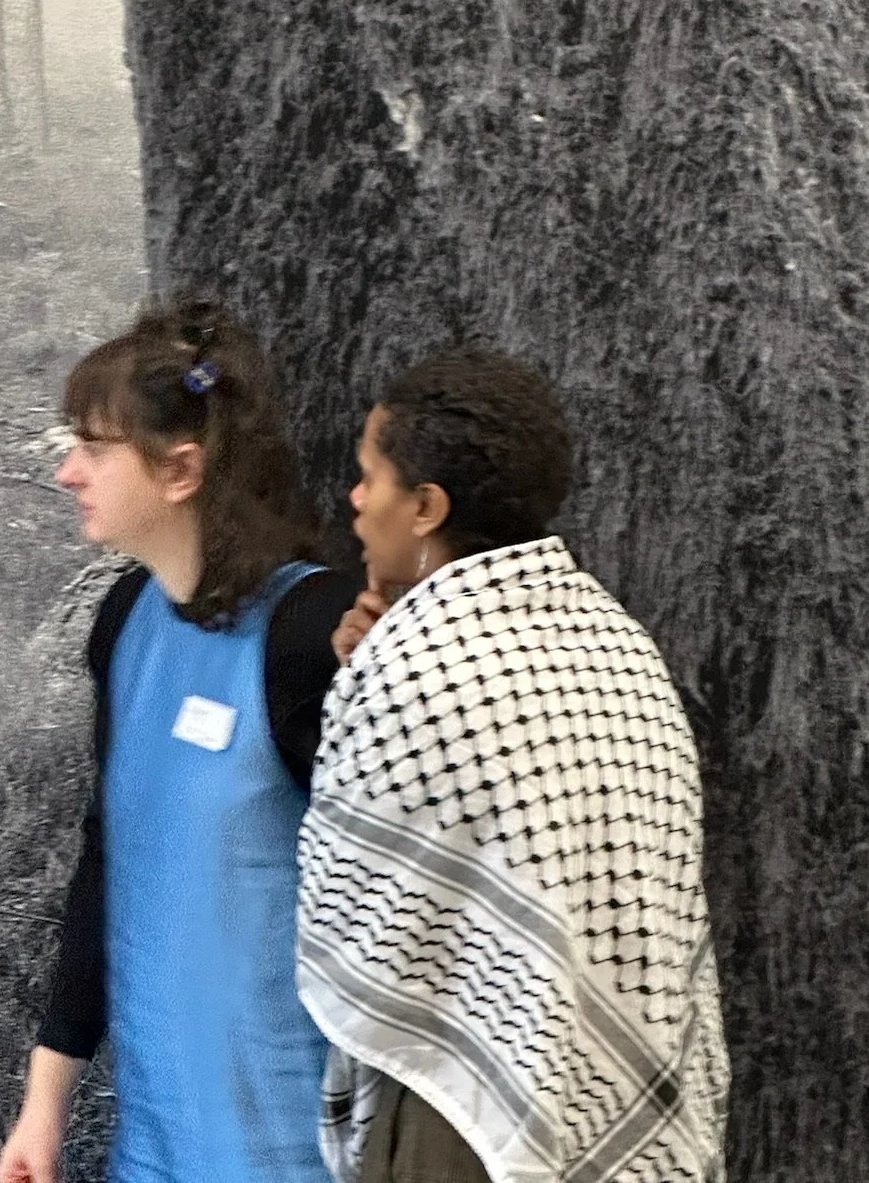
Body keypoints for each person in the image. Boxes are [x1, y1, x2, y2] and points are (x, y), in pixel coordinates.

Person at [297, 347, 730, 1183]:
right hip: (601, 1087)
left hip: (462, 1108)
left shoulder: (420, 664)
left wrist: (375, 670)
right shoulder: (617, 642)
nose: (353, 500)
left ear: (426, 507)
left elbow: (357, 915)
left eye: (369, 476)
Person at [0, 298, 358, 1183]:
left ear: (181, 469)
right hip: (156, 1143)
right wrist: (46, 1103)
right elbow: (107, 858)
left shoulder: (314, 632)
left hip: (295, 1149)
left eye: (94, 448)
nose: (67, 473)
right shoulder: (124, 619)